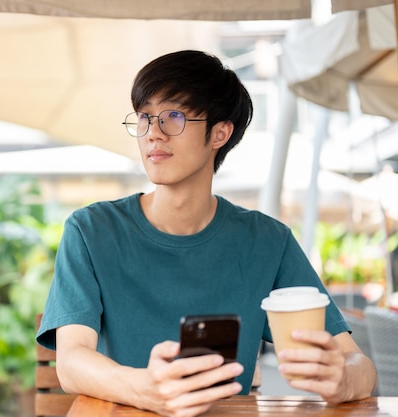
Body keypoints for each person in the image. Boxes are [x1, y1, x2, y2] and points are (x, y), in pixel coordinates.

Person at [36, 50, 377, 417]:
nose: (153, 133)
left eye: (174, 117)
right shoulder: (91, 231)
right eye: (145, 117)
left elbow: (358, 364)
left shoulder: (267, 242)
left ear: (220, 132)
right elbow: (71, 362)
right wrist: (144, 390)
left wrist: (343, 380)